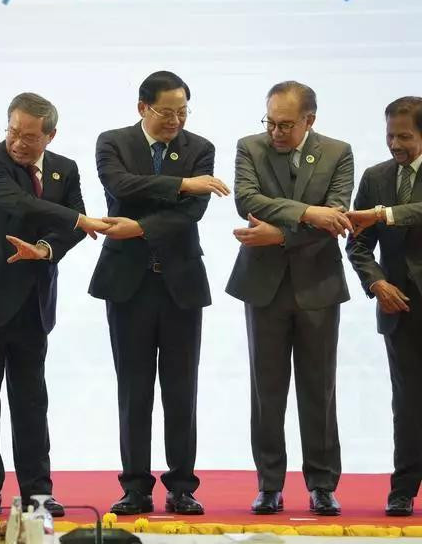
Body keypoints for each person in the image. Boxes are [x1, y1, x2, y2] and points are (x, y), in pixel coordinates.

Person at [0, 92, 109, 518]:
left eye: (30, 136)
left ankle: (38, 491)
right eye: (13, 132)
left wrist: (44, 248)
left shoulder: (64, 169)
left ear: (50, 135)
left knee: (32, 400)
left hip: (32, 301)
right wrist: (75, 220)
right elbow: (19, 204)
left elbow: (74, 225)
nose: (18, 142)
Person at [88, 71, 229, 516]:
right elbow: (120, 185)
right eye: (166, 112)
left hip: (180, 284)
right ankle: (135, 486)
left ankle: (182, 486)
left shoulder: (199, 147)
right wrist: (182, 184)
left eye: (182, 112)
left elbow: (192, 214)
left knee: (181, 388)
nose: (175, 120)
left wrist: (142, 226)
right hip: (127, 284)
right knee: (133, 389)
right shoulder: (113, 142)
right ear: (142, 108)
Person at [226, 81, 353, 516]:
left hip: (318, 285)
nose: (275, 131)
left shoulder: (338, 152)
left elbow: (335, 214)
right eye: (270, 121)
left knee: (319, 389)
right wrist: (305, 212)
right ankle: (269, 484)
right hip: (263, 287)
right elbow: (246, 197)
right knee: (268, 390)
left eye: (285, 124)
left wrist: (279, 231)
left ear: (309, 121)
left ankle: (322, 484)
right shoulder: (250, 147)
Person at [345, 96, 422, 517]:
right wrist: (376, 282)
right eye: (390, 134)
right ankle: (403, 489)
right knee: (407, 403)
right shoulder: (376, 177)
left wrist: (383, 214)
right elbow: (356, 241)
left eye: (405, 136)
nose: (395, 143)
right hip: (399, 308)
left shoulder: (382, 202)